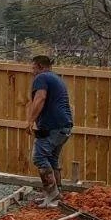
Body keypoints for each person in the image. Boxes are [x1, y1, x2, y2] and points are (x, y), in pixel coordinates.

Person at [26, 54, 73, 208]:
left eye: (33, 67)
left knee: (39, 157)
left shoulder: (42, 77)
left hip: (54, 126)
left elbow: (40, 98)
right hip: (64, 126)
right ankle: (56, 194)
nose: (32, 71)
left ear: (39, 66)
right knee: (52, 159)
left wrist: (30, 121)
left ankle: (52, 196)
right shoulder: (56, 78)